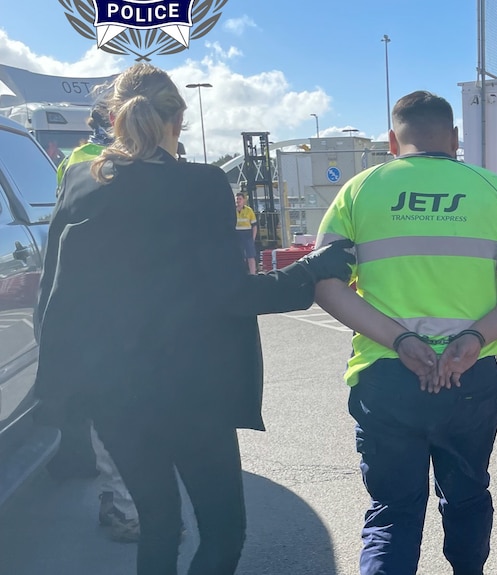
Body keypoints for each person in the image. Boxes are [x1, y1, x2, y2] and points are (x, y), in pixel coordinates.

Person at [34, 62, 355, 575]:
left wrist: (63, 395)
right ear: (177, 120)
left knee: (158, 528)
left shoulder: (79, 180)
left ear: (113, 118)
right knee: (223, 532)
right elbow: (229, 294)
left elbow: (54, 291)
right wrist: (310, 273)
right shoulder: (201, 185)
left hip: (113, 398)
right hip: (192, 394)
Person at [313, 90, 497, 575]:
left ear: (392, 140)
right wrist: (475, 339)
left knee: (393, 514)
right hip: (470, 378)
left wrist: (401, 341)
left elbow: (323, 282)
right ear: (454, 138)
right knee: (466, 499)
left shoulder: (359, 190)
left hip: (386, 377)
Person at [54, 102, 143, 542]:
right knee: (122, 412)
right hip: (116, 303)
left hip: (92, 302)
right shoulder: (110, 163)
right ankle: (126, 508)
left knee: (104, 412)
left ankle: (116, 500)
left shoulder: (75, 160)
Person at [235, 192, 258, 273]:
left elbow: (254, 226)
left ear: (244, 200)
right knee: (240, 257)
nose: (238, 201)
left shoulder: (249, 211)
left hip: (248, 236)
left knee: (251, 257)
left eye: (240, 199)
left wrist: (253, 238)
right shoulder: (232, 210)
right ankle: (242, 274)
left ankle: (253, 274)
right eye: (237, 199)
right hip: (237, 236)